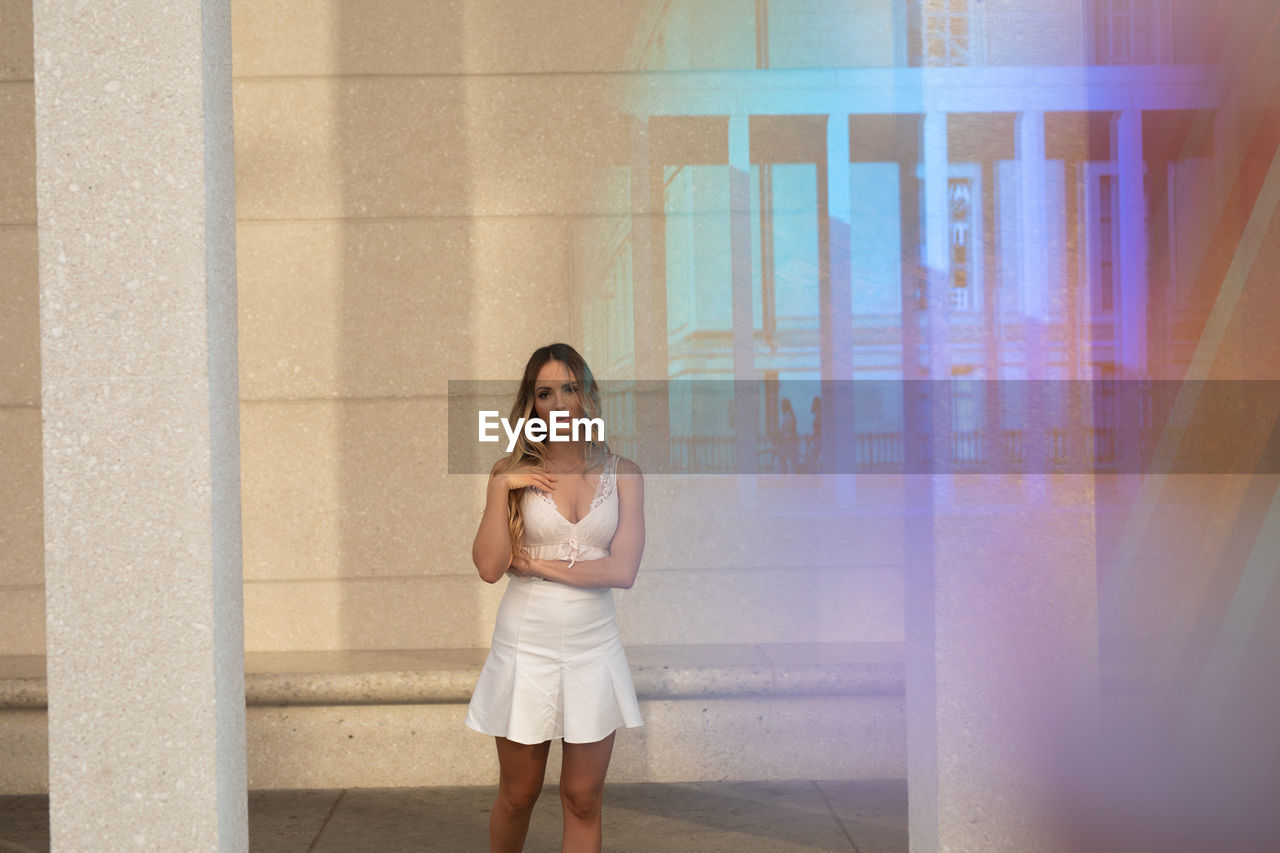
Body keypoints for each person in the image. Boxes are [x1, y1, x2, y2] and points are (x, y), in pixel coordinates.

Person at [466, 342, 646, 853]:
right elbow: (488, 567)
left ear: (587, 395)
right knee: (519, 794)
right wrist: (500, 487)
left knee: (584, 797)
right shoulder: (510, 471)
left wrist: (537, 564)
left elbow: (623, 570)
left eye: (569, 388)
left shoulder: (624, 473)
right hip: (526, 642)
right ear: (533, 404)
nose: (560, 402)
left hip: (594, 643)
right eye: (546, 392)